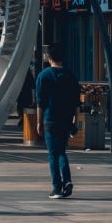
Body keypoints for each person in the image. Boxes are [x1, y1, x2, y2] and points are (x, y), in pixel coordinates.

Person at [35, 43, 81, 199]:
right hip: (66, 120)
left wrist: (39, 122)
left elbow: (40, 102)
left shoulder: (44, 76)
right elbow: (76, 101)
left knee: (53, 154)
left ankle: (57, 187)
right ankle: (66, 180)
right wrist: (76, 119)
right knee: (61, 150)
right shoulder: (70, 75)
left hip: (50, 119)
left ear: (49, 58)